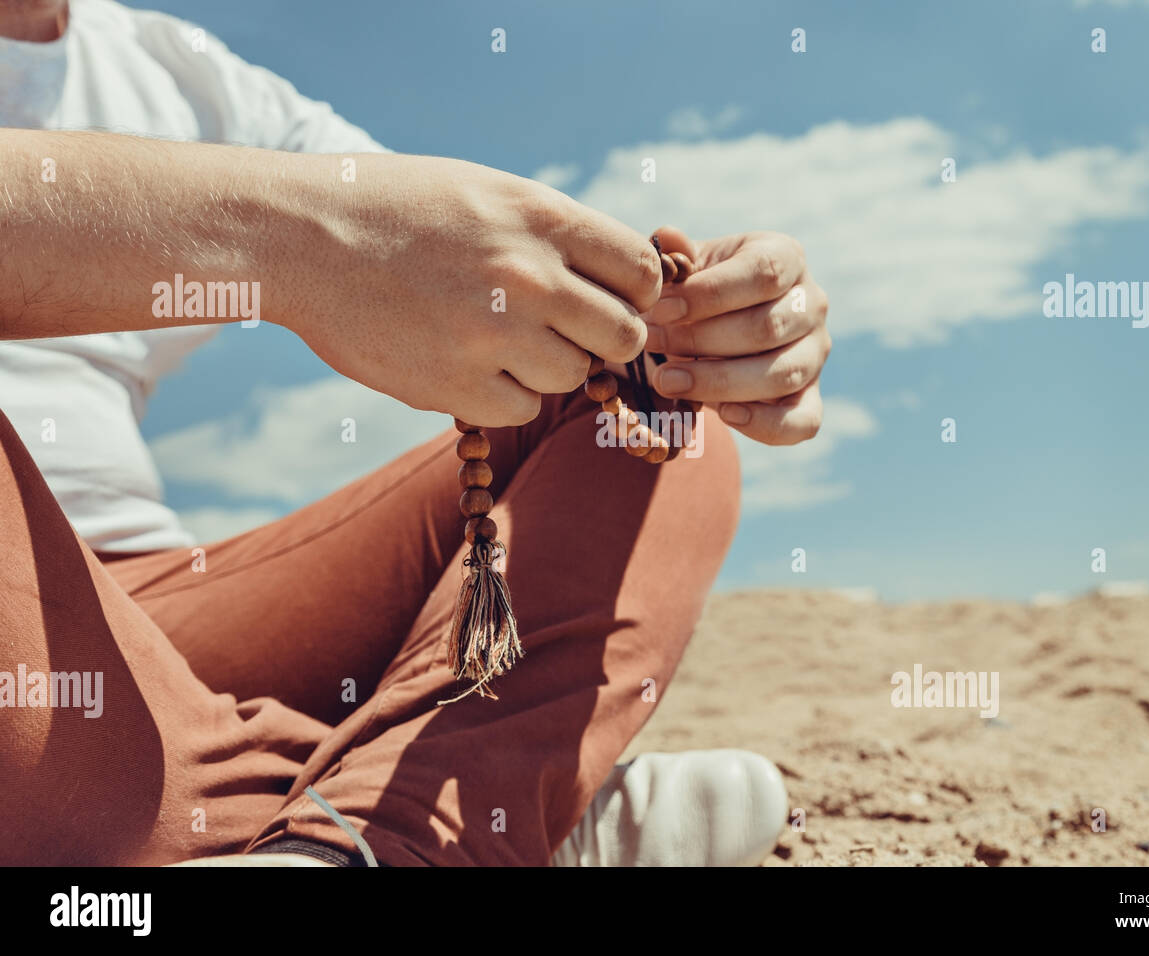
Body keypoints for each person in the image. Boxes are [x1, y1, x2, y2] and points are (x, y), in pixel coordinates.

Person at [0, 0, 831, 866]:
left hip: (150, 605)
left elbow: (442, 238)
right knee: (100, 803)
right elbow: (342, 228)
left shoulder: (183, 73)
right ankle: (458, 801)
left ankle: (362, 841)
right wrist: (300, 243)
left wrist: (687, 314)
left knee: (648, 413)